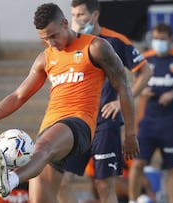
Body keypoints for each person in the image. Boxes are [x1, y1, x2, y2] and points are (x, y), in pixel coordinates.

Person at [0, 3, 139, 202]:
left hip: (79, 124)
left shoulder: (96, 47)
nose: (51, 42)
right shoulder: (45, 58)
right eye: (44, 38)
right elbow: (18, 96)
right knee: (41, 196)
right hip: (50, 127)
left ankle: (11, 179)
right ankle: (13, 178)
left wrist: (130, 134)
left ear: (65, 24)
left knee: (42, 148)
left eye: (53, 35)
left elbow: (124, 88)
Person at [57, 1, 153, 203]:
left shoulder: (115, 41)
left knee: (103, 185)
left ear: (95, 16)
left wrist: (121, 101)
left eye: (81, 14)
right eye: (73, 14)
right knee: (61, 182)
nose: (76, 19)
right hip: (76, 122)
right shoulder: (70, 43)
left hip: (104, 122)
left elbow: (146, 71)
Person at [127, 23, 173, 203]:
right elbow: (135, 86)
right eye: (156, 39)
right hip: (149, 122)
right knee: (137, 163)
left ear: (171, 39)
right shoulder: (145, 59)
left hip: (172, 122)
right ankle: (132, 200)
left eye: (162, 39)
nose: (159, 42)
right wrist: (143, 91)